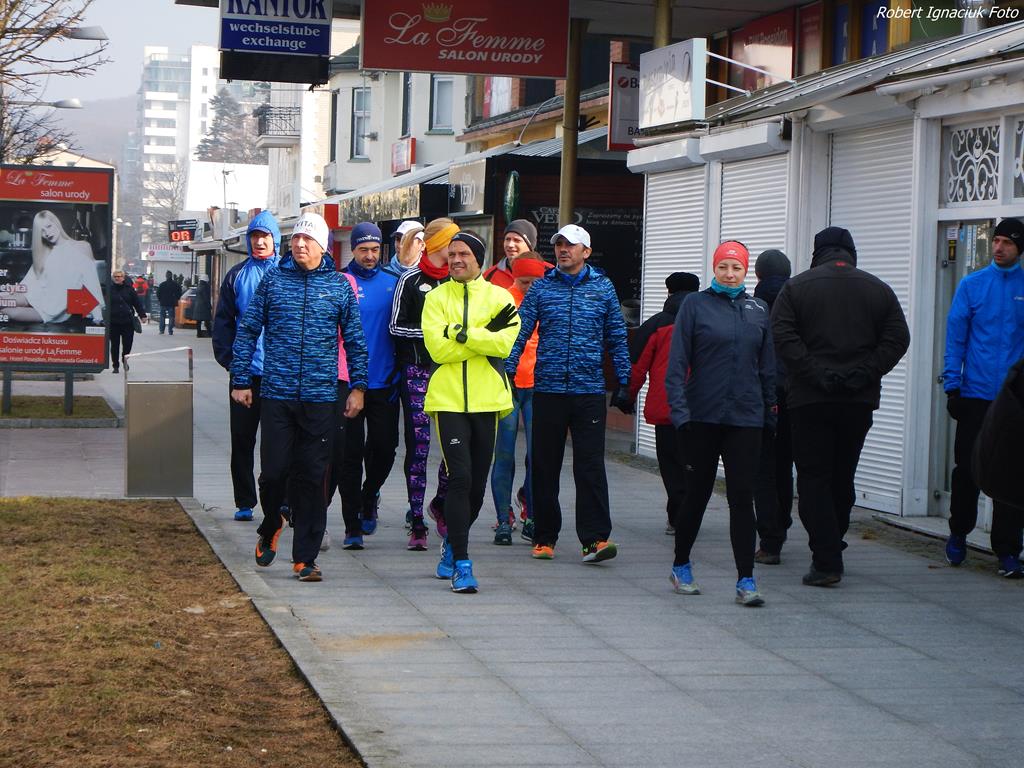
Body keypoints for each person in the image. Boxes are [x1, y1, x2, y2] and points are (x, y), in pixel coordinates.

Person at [231, 211, 368, 583]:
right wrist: (241, 380)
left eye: (308, 239)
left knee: (312, 476)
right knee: (273, 473)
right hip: (277, 393)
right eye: (296, 238)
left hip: (321, 397)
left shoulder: (338, 286)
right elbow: (248, 330)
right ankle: (272, 522)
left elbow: (355, 340)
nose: (300, 244)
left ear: (323, 246)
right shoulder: (274, 281)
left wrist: (358, 387)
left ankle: (305, 558)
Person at [772, 226, 910, 587]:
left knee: (814, 477)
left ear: (816, 252)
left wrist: (816, 374)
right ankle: (834, 542)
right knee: (843, 474)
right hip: (857, 400)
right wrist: (863, 373)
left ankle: (826, 559)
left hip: (809, 400)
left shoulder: (796, 288)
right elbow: (898, 338)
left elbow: (783, 337)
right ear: (851, 251)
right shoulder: (878, 289)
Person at [506, 224, 630, 564]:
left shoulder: (602, 287)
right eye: (559, 244)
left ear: (585, 252)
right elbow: (521, 330)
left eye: (570, 245)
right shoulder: (542, 287)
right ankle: (544, 537)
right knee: (545, 466)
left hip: (588, 390)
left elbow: (617, 335)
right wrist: (509, 369)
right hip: (548, 389)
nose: (563, 250)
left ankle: (595, 539)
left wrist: (625, 381)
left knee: (590, 466)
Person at [664, 242, 773, 607]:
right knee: (697, 493)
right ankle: (681, 564)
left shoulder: (759, 309)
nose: (729, 274)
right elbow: (677, 363)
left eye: (736, 268)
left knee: (742, 497)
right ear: (714, 268)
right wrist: (680, 413)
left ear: (746, 272)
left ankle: (746, 580)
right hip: (702, 416)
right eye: (723, 266)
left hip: (746, 417)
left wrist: (770, 413)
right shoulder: (695, 305)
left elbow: (768, 366)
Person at [422, 230, 520, 592]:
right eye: (452, 254)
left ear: (479, 258)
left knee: (477, 487)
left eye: (463, 254)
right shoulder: (435, 298)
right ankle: (462, 563)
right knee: (460, 477)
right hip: (447, 400)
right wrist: (481, 337)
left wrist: (460, 333)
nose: (456, 260)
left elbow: (504, 345)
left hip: (488, 400)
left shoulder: (500, 297)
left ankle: (453, 540)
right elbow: (437, 350)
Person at [942, 217, 1024, 576]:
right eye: (996, 240)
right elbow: (956, 338)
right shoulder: (972, 285)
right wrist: (952, 385)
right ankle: (958, 533)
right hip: (974, 394)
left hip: (1012, 400)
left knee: (1012, 474)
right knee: (967, 469)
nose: (999, 247)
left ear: (1020, 249)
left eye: (1008, 242)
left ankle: (1008, 551)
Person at [390, 218, 457, 548]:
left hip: (450, 372)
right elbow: (395, 326)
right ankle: (417, 520)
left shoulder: (458, 281)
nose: (456, 251)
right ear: (438, 244)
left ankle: (440, 503)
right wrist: (432, 333)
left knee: (453, 444)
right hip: (417, 370)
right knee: (419, 446)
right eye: (451, 243)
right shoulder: (410, 279)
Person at [336, 223, 401, 549]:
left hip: (384, 382)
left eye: (375, 249)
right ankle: (352, 527)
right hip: (348, 383)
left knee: (385, 449)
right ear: (353, 250)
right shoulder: (340, 283)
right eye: (363, 249)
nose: (370, 255)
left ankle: (369, 493)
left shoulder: (393, 283)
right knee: (349, 456)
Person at [212, 211, 281, 523]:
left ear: (275, 240)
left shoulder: (287, 273)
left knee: (277, 443)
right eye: (254, 237)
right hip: (245, 375)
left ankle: (279, 501)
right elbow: (223, 323)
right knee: (242, 440)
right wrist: (231, 363)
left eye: (265, 237)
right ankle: (244, 501)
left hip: (279, 375)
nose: (259, 242)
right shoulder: (236, 276)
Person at [626, 271, 700, 536]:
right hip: (702, 407)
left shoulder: (656, 324)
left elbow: (637, 365)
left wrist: (627, 396)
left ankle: (678, 515)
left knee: (671, 464)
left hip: (667, 407)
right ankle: (690, 513)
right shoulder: (706, 321)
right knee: (695, 462)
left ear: (669, 292)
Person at [490, 252, 550, 545]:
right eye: (524, 282)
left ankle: (533, 514)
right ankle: (503, 518)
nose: (529, 287)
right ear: (514, 277)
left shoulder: (547, 299)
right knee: (504, 453)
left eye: (534, 282)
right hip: (508, 386)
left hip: (539, 386)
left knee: (537, 456)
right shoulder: (503, 300)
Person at [751, 250, 794, 565]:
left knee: (764, 467)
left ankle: (770, 537)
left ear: (758, 274)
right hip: (796, 393)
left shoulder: (753, 306)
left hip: (762, 394)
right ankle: (784, 520)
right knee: (786, 463)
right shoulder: (800, 300)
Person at [8, 210, 105, 326]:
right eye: (42, 231)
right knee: (5, 301)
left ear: (56, 222)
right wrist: (14, 289)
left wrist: (97, 315)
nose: (47, 233)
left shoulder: (82, 247)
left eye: (49, 226)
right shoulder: (44, 252)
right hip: (37, 296)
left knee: (9, 312)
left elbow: (91, 281)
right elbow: (30, 282)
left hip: (55, 308)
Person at [107, 269, 148, 373]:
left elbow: (137, 303)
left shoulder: (129, 289)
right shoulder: (109, 289)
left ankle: (124, 360)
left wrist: (142, 315)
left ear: (123, 278)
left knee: (127, 344)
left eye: (119, 276)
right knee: (114, 345)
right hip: (114, 321)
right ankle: (115, 365)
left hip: (127, 321)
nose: (117, 278)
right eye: (115, 276)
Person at [483, 219, 538, 289]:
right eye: (507, 239)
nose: (510, 245)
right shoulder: (489, 276)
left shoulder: (547, 273)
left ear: (529, 246)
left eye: (517, 240)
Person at [156, 270, 182, 335]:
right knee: (171, 317)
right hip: (171, 303)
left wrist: (160, 299)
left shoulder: (162, 284)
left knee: (162, 317)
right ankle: (170, 330)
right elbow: (179, 293)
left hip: (163, 303)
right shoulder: (175, 285)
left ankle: (161, 330)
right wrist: (176, 298)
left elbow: (158, 293)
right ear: (171, 276)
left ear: (166, 276)